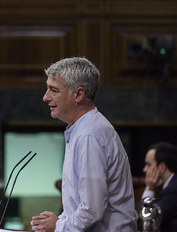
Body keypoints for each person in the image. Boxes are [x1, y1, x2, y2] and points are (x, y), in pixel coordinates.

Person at [30, 57, 137, 231]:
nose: (45, 97)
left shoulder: (89, 135)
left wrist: (58, 226)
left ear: (78, 94)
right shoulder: (83, 129)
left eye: (53, 90)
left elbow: (92, 210)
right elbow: (82, 204)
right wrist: (61, 219)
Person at [139, 142, 177, 231]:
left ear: (162, 167)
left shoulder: (174, 189)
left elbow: (147, 219)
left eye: (148, 165)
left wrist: (149, 188)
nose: (144, 169)